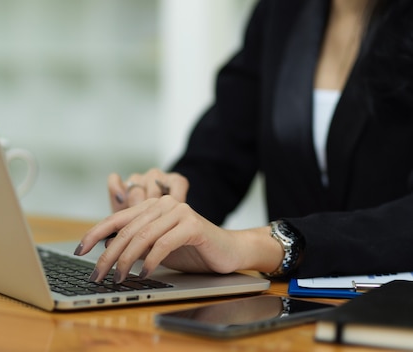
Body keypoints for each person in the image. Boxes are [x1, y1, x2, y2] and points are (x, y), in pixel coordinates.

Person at [73, 0, 413, 284]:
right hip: (287, 306)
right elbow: (219, 156)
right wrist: (165, 208)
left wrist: (254, 245)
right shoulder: (283, 12)